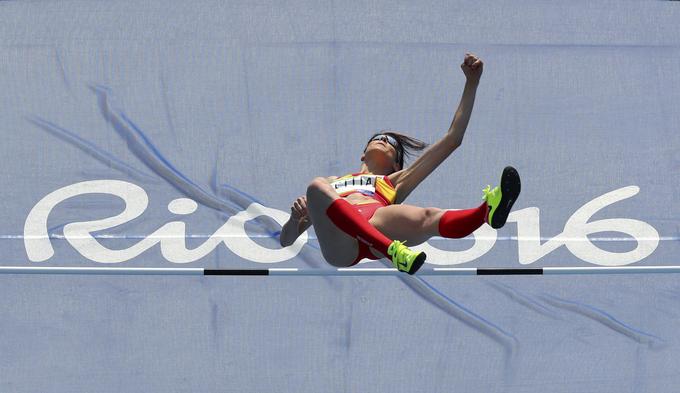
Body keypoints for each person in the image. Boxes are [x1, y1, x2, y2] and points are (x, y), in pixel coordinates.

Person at [279, 53, 521, 274]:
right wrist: (294, 218)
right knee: (315, 187)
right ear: (363, 154)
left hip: (379, 222)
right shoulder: (331, 184)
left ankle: (485, 212)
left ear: (396, 164)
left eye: (390, 142)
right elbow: (286, 240)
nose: (384, 140)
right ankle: (392, 251)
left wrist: (472, 82)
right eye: (379, 138)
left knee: (429, 216)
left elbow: (452, 139)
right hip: (341, 243)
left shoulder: (394, 181)